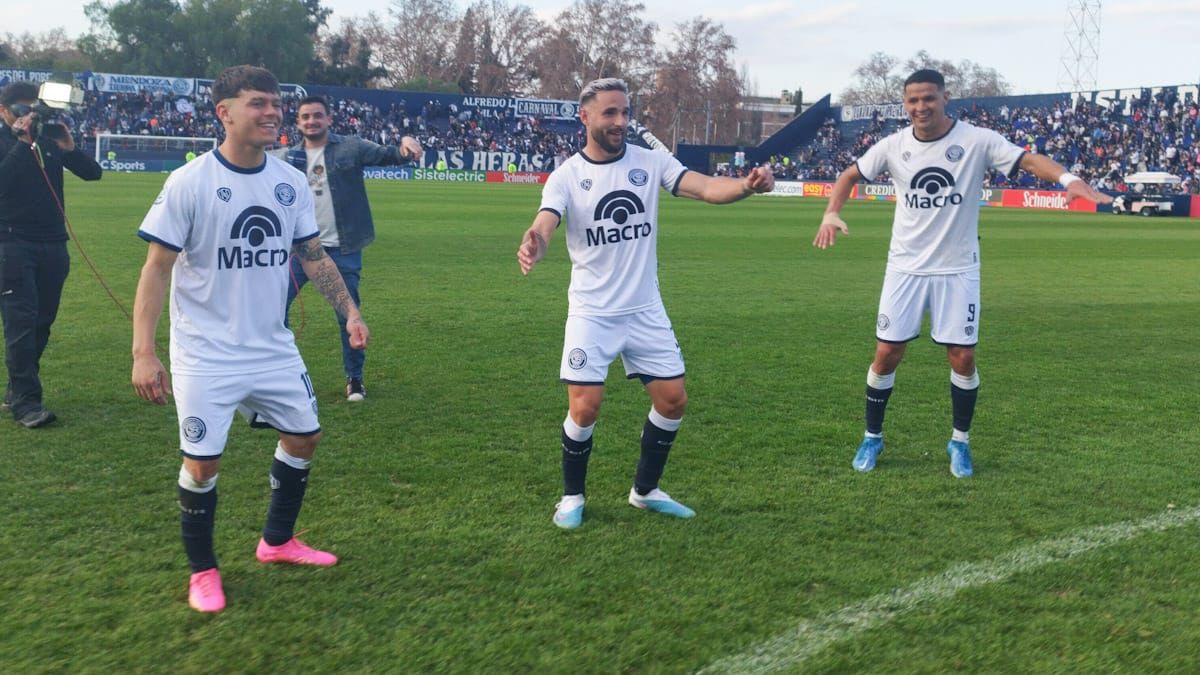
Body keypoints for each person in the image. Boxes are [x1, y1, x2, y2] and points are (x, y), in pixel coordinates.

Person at [131, 66, 370, 613]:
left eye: (275, 103)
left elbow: (313, 255)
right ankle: (203, 571)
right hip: (204, 353)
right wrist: (144, 353)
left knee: (305, 436)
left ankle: (277, 541)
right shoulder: (188, 183)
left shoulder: (285, 181)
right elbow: (155, 269)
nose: (272, 112)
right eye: (258, 103)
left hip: (272, 346)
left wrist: (350, 311)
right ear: (225, 113)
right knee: (202, 464)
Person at [813, 69, 1111, 478]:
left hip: (958, 269)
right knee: (886, 354)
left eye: (929, 99)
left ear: (944, 98)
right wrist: (832, 213)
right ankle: (872, 437)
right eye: (913, 100)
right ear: (905, 104)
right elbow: (849, 175)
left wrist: (1069, 179)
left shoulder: (976, 140)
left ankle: (960, 442)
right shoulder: (892, 145)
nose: (921, 107)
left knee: (963, 356)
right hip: (905, 268)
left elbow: (1027, 158)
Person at [517, 78, 774, 529]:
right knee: (585, 407)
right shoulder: (566, 177)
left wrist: (748, 186)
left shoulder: (651, 162)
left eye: (624, 112)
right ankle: (572, 497)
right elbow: (546, 220)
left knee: (673, 401)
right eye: (610, 113)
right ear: (586, 117)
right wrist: (536, 240)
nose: (620, 121)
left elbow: (706, 188)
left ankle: (645, 490)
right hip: (592, 312)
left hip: (644, 309)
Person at [272, 95, 421, 401]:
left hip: (344, 248)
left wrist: (407, 144)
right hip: (299, 251)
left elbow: (390, 155)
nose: (311, 121)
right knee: (274, 311)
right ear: (298, 122)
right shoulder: (287, 158)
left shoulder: (350, 147)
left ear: (328, 119)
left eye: (317, 115)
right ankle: (280, 374)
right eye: (305, 117)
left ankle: (354, 379)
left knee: (348, 316)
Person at [0, 81, 103, 428]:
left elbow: (93, 174)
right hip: (11, 245)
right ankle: (27, 404)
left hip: (53, 244)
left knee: (42, 322)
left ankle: (18, 389)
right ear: (4, 111)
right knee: (21, 323)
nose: (30, 116)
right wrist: (21, 143)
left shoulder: (49, 138)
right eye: (21, 110)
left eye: (34, 109)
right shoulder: (8, 141)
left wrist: (70, 149)